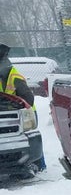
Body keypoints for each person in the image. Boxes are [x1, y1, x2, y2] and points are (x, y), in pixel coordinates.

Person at [0, 43, 45, 172]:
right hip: (9, 117)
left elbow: (29, 99)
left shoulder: (14, 77)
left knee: (31, 138)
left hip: (26, 114)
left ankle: (40, 165)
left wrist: (11, 106)